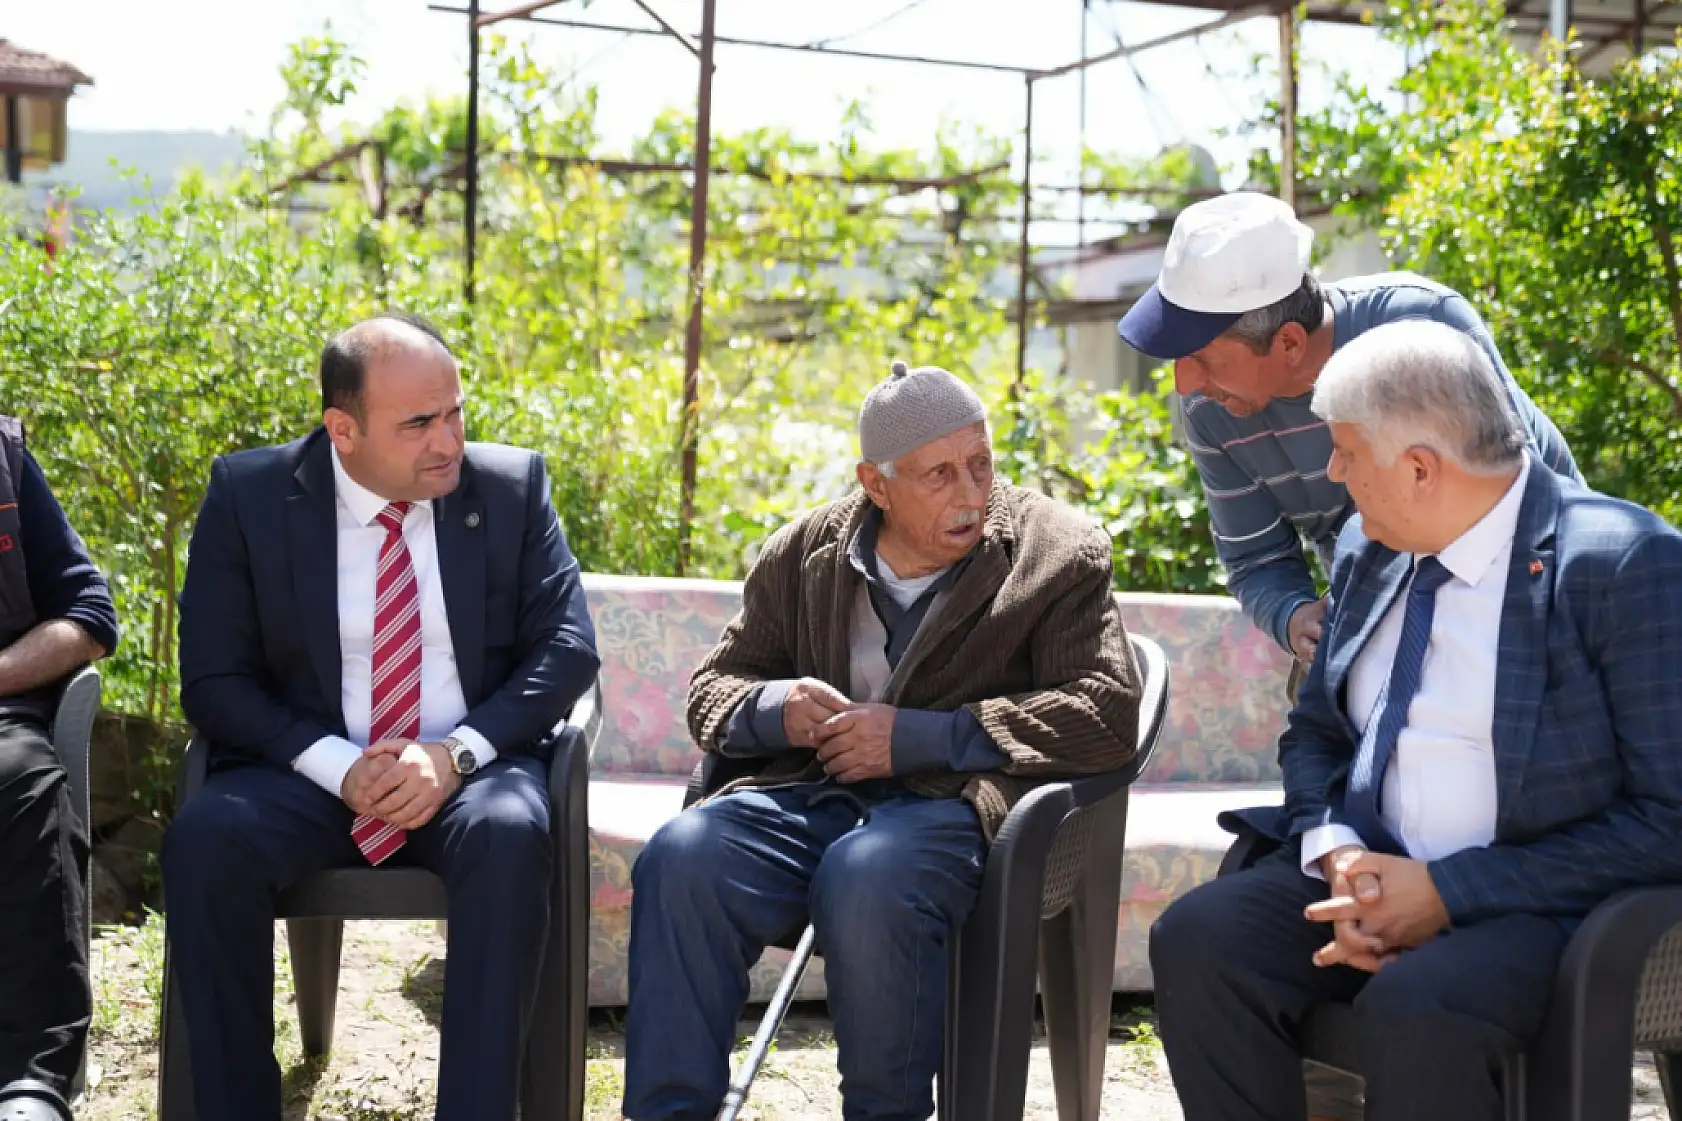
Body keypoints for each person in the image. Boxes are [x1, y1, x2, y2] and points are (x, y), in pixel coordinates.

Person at [1149, 320, 1682, 1121]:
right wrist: (1338, 854)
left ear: (1422, 468)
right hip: (1370, 873)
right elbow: (1318, 731)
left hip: (1540, 902)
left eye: (1347, 453)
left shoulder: (1621, 562)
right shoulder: (1373, 543)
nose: (1333, 472)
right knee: (1200, 938)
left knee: (1416, 1004)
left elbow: (1668, 819)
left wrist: (1446, 890)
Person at [620, 360, 1142, 1121]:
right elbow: (713, 692)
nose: (972, 493)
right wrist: (779, 708)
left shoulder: (1057, 553)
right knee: (682, 856)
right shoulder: (806, 552)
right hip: (809, 797)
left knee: (868, 875)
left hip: (957, 810)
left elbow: (1106, 710)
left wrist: (924, 738)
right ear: (876, 482)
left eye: (981, 462)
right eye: (940, 474)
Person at [162, 312, 600, 1121]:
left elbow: (568, 650)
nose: (448, 441)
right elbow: (214, 679)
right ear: (344, 427)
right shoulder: (251, 496)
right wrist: (336, 762)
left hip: (467, 774)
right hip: (307, 772)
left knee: (510, 831)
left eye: (455, 412)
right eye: (420, 423)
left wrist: (454, 754)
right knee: (205, 838)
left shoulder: (509, 489)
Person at [1116, 192, 1579, 688]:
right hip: (1386, 600)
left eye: (1202, 357)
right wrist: (1297, 619)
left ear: (1289, 343)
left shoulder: (1423, 323)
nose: (1183, 383)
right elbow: (1255, 558)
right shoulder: (1211, 408)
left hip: (1536, 576)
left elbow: (1516, 497)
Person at [0, 418, 118, 1121]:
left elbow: (91, 615)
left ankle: (32, 1084)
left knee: (23, 777)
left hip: (2, 718)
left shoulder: (7, 461)